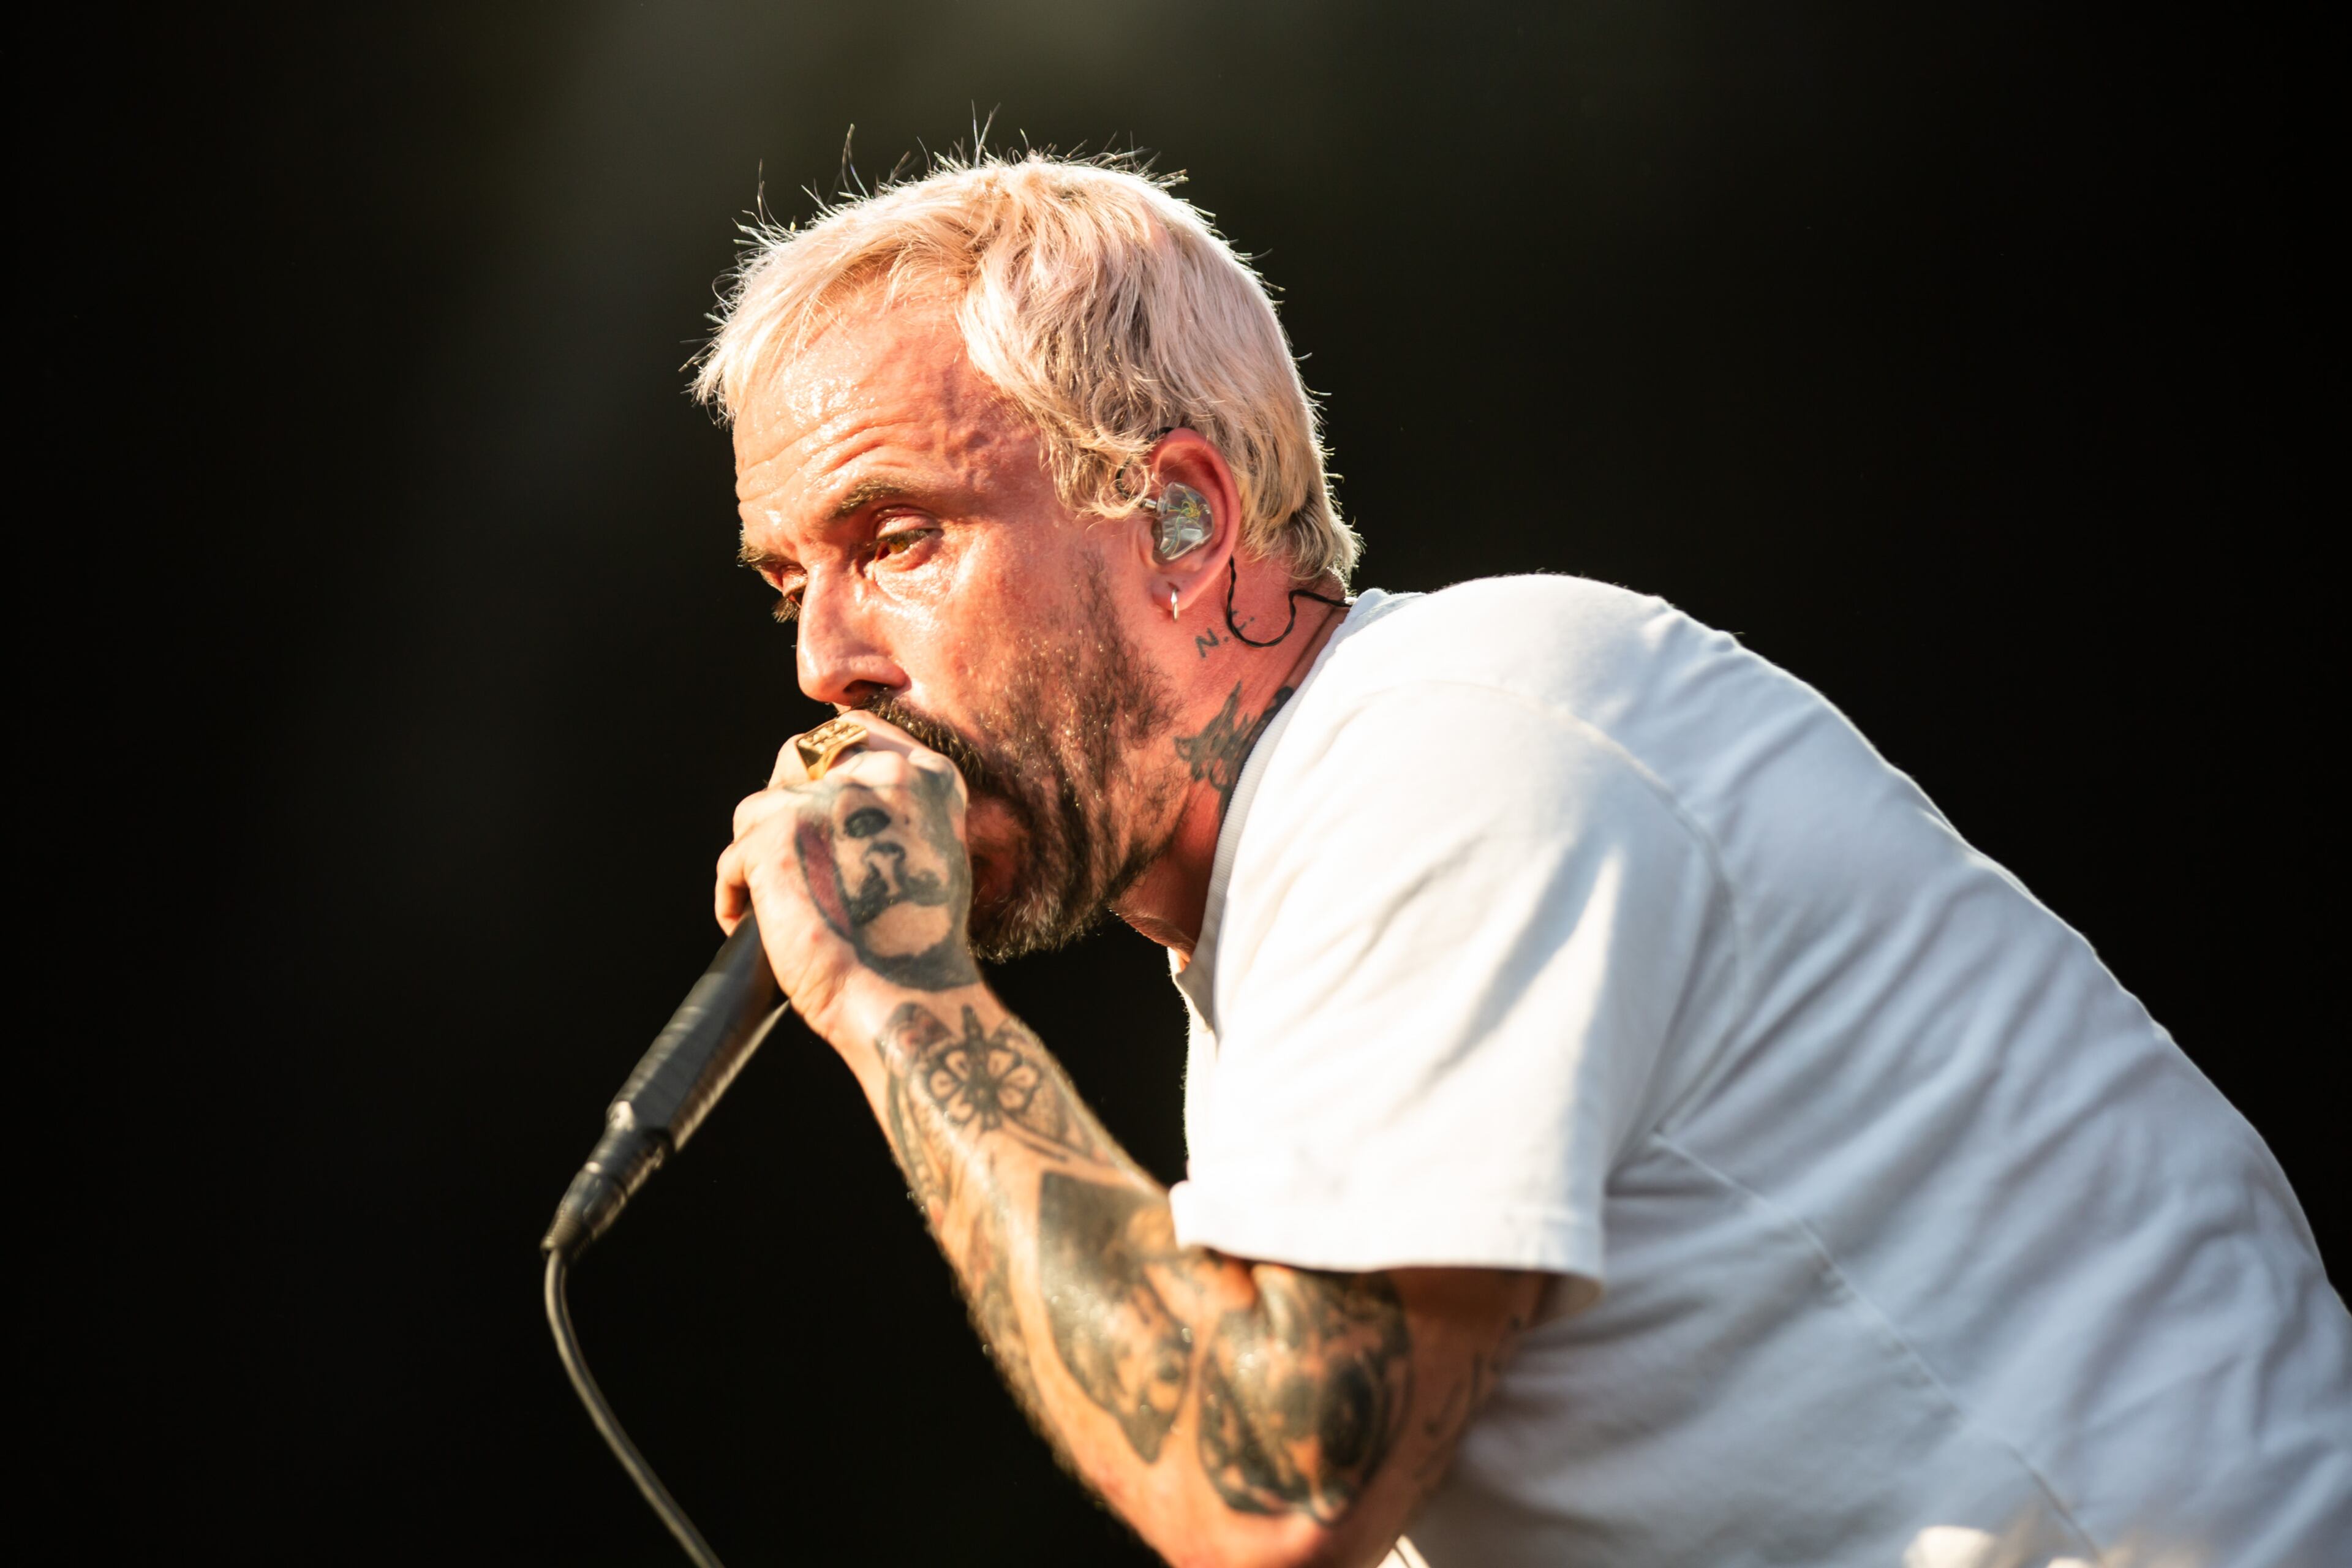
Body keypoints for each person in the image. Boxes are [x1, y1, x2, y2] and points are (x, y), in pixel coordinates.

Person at [699, 153, 2348, 1568]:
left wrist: (904, 1001)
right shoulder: (1288, 908)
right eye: (791, 586)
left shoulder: (1455, 746)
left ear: (1183, 521)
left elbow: (1276, 1484)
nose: (825, 660)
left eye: (897, 539)